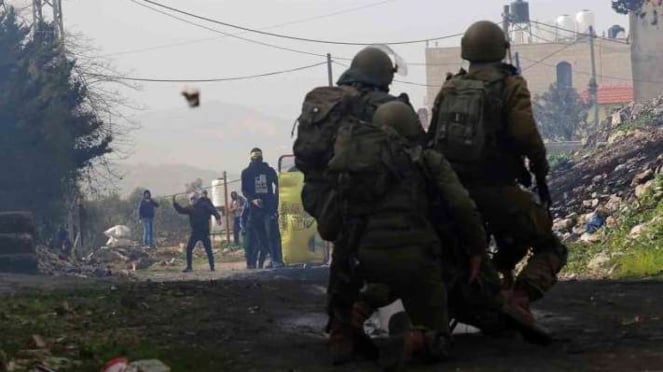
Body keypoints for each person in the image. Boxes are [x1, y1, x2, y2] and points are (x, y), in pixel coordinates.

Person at [428, 20, 568, 316]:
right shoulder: (510, 85)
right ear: (501, 50)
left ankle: (487, 285)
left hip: (451, 195)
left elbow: (431, 139)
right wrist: (539, 167)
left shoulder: (449, 87)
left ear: (467, 50)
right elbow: (525, 134)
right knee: (550, 246)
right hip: (498, 190)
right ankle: (519, 298)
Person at [295, 46, 410, 364]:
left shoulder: (329, 103)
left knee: (345, 257)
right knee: (392, 253)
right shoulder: (381, 105)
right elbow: (414, 149)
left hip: (321, 195)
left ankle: (340, 329)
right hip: (361, 197)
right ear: (382, 75)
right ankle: (354, 324)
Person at [241, 148, 283, 269]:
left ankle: (276, 260)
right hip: (256, 211)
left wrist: (273, 203)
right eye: (256, 159)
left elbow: (278, 185)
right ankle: (256, 262)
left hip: (267, 210)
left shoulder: (268, 171)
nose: (257, 161)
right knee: (259, 236)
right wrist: (253, 200)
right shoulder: (247, 172)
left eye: (257, 158)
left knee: (271, 235)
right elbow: (244, 190)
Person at [173, 192, 221, 272]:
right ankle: (189, 267)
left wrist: (218, 218)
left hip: (204, 232)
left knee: (208, 250)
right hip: (195, 232)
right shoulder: (190, 208)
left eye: (193, 198)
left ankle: (212, 267)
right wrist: (175, 203)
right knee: (189, 249)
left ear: (197, 198)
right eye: (191, 199)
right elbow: (181, 210)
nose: (192, 200)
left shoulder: (204, 205)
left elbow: (213, 210)